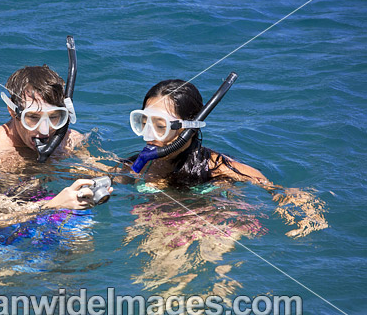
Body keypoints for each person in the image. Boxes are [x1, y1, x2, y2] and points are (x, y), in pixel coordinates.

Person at [127, 79, 327, 237]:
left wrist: (303, 210)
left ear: (189, 129)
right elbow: (106, 173)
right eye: (143, 123)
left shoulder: (216, 167)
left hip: (212, 222)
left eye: (160, 126)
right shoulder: (141, 164)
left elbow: (273, 189)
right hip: (159, 221)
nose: (149, 135)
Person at [0, 65, 84, 158]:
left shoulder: (71, 141)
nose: (45, 131)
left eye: (53, 117)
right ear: (12, 111)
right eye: (33, 117)